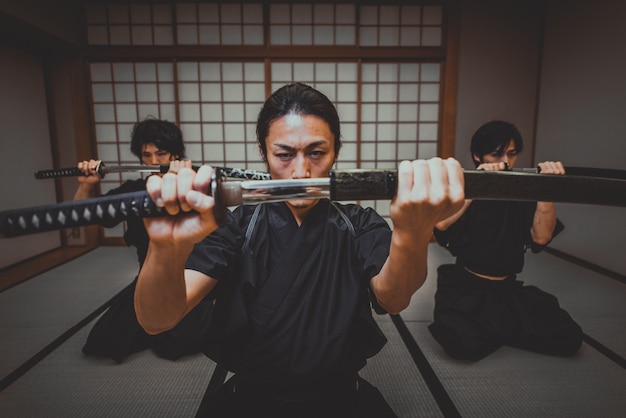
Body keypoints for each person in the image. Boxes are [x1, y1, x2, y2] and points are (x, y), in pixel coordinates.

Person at [133, 83, 464, 417]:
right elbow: (156, 321)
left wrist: (413, 233)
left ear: (336, 151)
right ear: (264, 153)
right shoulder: (235, 227)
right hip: (250, 402)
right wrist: (165, 249)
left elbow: (394, 298)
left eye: (316, 153)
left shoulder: (358, 224)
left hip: (342, 400)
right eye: (284, 154)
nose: (301, 171)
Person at [428, 119, 583, 361]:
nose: (506, 162)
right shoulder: (463, 189)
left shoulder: (522, 191)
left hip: (507, 290)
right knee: (462, 347)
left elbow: (541, 237)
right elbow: (441, 224)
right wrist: (476, 184)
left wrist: (547, 188)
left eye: (512, 154)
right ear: (478, 156)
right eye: (496, 154)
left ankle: (497, 328)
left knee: (569, 338)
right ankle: (499, 329)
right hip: (466, 289)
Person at [75, 117, 213, 363]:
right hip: (149, 277)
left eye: (161, 153)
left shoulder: (192, 183)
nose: (153, 161)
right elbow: (82, 216)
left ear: (175, 155)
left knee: (179, 344)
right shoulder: (134, 190)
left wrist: (188, 182)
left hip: (190, 276)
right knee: (103, 341)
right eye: (146, 155)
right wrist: (86, 186)